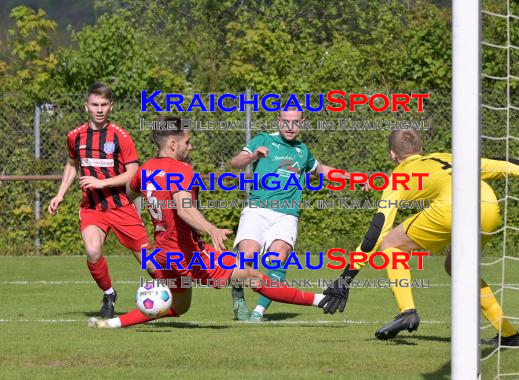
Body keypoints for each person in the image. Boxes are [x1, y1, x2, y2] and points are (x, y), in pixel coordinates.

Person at [318, 129, 519, 346]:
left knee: (390, 244)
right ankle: (509, 334)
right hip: (489, 208)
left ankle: (407, 311)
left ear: (393, 155)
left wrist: (346, 278)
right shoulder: (448, 158)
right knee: (457, 267)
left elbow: (377, 229)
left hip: (453, 209)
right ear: (421, 148)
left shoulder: (398, 178)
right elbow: (503, 164)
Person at [87, 116, 325, 329]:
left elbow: (127, 197)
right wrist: (211, 229)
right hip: (189, 253)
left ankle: (112, 323)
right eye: (187, 141)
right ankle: (321, 299)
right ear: (172, 144)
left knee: (180, 307)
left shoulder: (146, 170)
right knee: (252, 275)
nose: (190, 146)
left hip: (163, 253)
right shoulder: (181, 169)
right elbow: (184, 209)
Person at [229, 107, 367, 322]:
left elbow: (322, 170)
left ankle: (258, 313)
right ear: (278, 121)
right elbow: (235, 162)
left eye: (295, 122)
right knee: (247, 257)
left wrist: (352, 177)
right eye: (285, 121)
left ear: (302, 123)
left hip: (287, 215)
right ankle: (238, 298)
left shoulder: (303, 150)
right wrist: (253, 155)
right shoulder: (263, 140)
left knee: (279, 256)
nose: (290, 126)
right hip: (257, 210)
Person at [48, 83, 149, 318]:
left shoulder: (120, 136)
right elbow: (72, 165)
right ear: (87, 106)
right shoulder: (75, 136)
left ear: (111, 106)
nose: (99, 109)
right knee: (93, 251)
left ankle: (171, 297)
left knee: (150, 265)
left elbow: (134, 172)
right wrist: (60, 193)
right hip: (92, 207)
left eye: (104, 104)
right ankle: (109, 294)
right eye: (95, 104)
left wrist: (102, 183)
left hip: (121, 206)